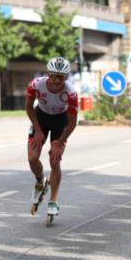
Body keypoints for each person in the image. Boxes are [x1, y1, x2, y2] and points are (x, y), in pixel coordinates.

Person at [26, 57, 79, 225]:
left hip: (61, 121)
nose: (56, 80)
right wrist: (38, 130)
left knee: (54, 160)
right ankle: (40, 181)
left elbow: (72, 123)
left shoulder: (71, 93)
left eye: (61, 77)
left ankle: (53, 201)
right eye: (53, 76)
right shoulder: (36, 85)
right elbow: (28, 107)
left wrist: (60, 142)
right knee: (32, 158)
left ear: (66, 77)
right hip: (40, 118)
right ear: (48, 74)